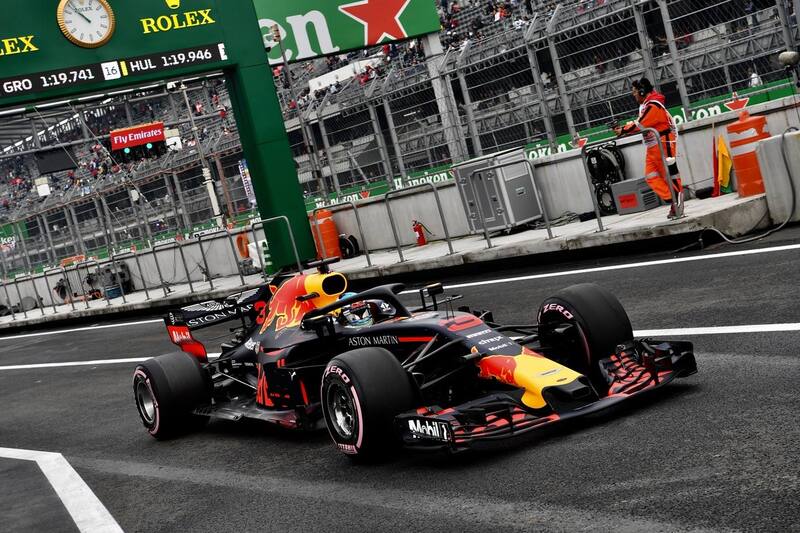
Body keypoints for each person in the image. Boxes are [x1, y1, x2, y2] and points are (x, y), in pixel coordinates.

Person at [614, 77, 684, 218]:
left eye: (635, 92)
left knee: (668, 175)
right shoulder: (648, 105)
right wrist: (624, 129)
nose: (633, 95)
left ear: (642, 91)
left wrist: (623, 130)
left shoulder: (653, 105)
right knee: (651, 176)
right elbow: (641, 123)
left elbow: (641, 124)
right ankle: (673, 198)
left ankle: (677, 202)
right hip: (653, 145)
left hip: (663, 143)